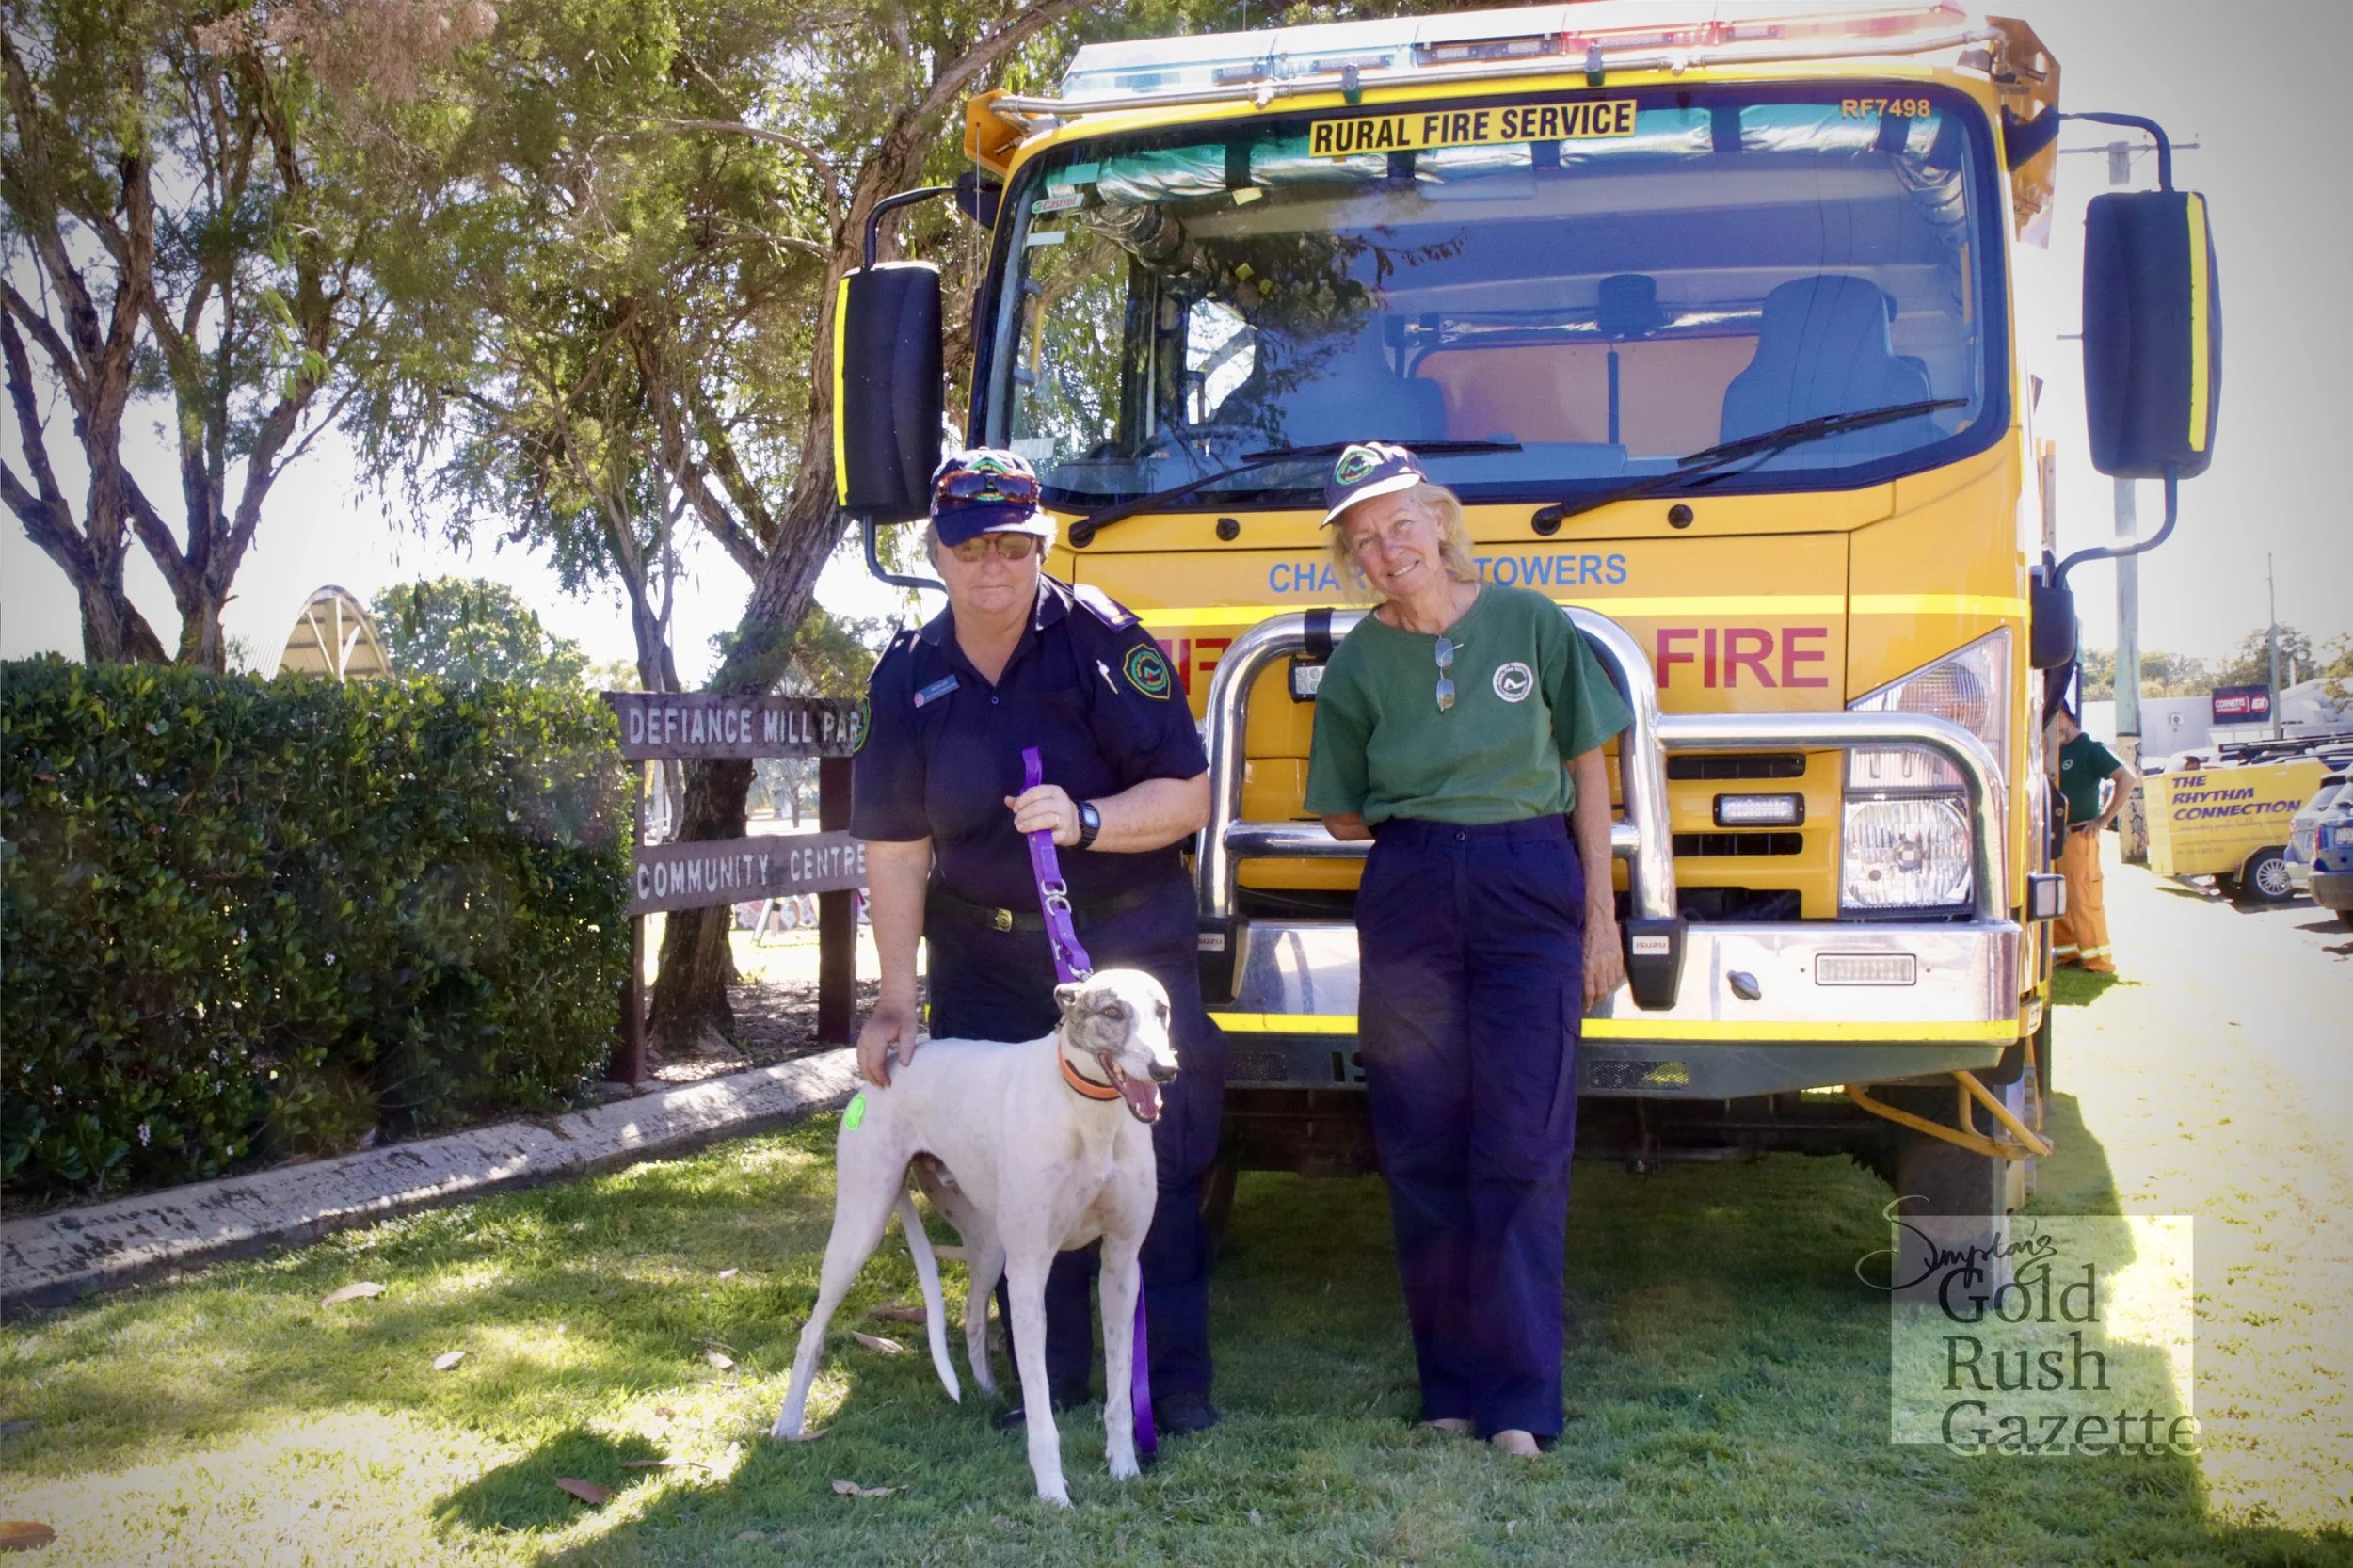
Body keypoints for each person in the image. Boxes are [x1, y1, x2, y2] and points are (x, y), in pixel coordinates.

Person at [849, 447, 1228, 1436]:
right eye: (971, 547)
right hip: (983, 957)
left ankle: (1168, 1388)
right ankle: (1046, 1387)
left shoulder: (1101, 640)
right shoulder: (907, 674)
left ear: (1039, 544)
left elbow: (1187, 796)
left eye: (1014, 546)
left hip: (1120, 946)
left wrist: (1090, 818)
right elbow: (895, 847)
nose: (993, 568)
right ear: (935, 551)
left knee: (1155, 1160)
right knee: (1021, 1171)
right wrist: (897, 995)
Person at [1302, 441, 1631, 1458]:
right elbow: (1342, 814)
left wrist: (1599, 914)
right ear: (1353, 559)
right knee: (1420, 1140)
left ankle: (1522, 1402)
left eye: (1400, 523)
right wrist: (1428, 826)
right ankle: (1448, 1385)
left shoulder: (1529, 620)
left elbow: (1587, 763)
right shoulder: (1358, 659)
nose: (1387, 547)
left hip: (1530, 884)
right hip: (1408, 892)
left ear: (1440, 520)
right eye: (1364, 538)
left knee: (1523, 1143)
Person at [2050, 702, 2138, 975]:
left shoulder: (2090, 749)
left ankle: (2098, 960)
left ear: (2067, 716)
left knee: (2084, 898)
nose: (2051, 729)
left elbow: (2127, 778)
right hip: (2052, 836)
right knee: (2056, 898)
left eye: (2055, 720)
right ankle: (2069, 953)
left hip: (2079, 836)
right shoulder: (2051, 751)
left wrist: (2103, 819)